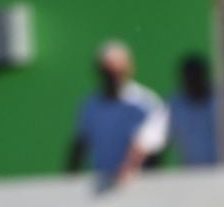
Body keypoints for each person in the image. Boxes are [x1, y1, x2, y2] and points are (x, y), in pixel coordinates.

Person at [66, 40, 168, 190]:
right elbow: (80, 144)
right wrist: (68, 182)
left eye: (116, 72)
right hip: (101, 186)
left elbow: (146, 144)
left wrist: (126, 170)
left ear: (128, 69)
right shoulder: (90, 105)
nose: (112, 78)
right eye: (107, 73)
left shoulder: (145, 103)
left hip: (140, 185)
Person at [168, 53, 220, 166]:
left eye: (196, 77)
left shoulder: (223, 101)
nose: (192, 82)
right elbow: (159, 142)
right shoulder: (174, 105)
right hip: (192, 176)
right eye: (189, 78)